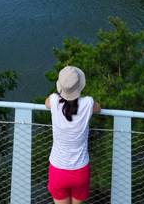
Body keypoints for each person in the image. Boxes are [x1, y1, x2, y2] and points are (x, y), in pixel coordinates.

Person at [44, 66, 101, 204]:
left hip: (58, 169)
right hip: (80, 170)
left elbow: (46, 103)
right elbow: (98, 108)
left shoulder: (53, 100)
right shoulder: (88, 103)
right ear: (79, 86)